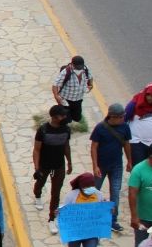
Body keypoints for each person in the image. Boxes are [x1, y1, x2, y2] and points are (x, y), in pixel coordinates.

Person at [90, 103, 132, 233]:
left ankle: (113, 220)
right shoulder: (100, 128)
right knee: (94, 192)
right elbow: (94, 147)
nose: (123, 119)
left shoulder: (125, 127)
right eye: (121, 117)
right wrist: (95, 166)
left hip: (116, 166)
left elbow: (126, 144)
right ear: (113, 117)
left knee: (115, 193)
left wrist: (130, 161)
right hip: (101, 167)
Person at [33, 105, 73, 235]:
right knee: (40, 184)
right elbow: (37, 150)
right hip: (44, 165)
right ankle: (37, 195)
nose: (65, 117)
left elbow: (66, 146)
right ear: (55, 117)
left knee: (56, 193)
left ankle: (52, 218)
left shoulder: (66, 130)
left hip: (59, 166)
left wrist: (69, 162)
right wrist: (37, 168)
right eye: (62, 115)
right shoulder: (43, 130)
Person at [59, 173, 105, 247]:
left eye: (92, 186)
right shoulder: (71, 196)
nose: (90, 188)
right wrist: (60, 212)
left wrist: (110, 210)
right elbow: (64, 211)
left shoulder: (99, 195)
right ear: (81, 187)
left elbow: (104, 212)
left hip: (91, 233)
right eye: (87, 186)